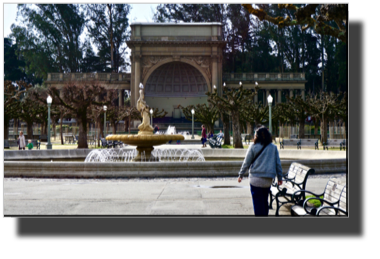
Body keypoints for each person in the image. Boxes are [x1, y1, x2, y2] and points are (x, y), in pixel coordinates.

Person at [237, 126, 283, 216]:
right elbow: (278, 164)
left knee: (258, 203)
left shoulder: (253, 146)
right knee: (264, 201)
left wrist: (241, 174)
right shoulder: (273, 147)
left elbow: (246, 162)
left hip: (255, 179)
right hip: (267, 180)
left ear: (256, 136)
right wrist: (280, 177)